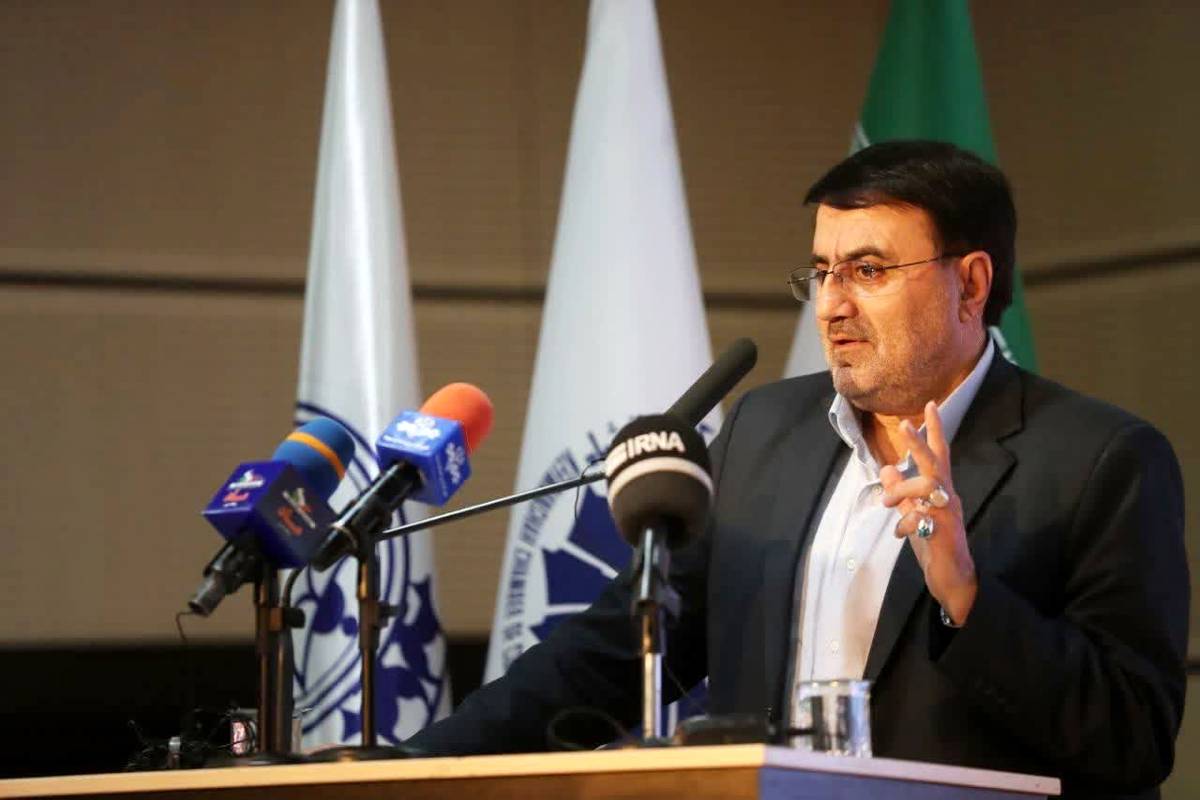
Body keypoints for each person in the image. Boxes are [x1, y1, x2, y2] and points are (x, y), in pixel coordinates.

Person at [407, 141, 1189, 799]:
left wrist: (967, 598)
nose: (831, 305)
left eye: (869, 271)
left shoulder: (1100, 462)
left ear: (971, 284)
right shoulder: (765, 432)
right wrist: (413, 767)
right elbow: (607, 653)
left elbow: (1135, 739)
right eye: (822, 272)